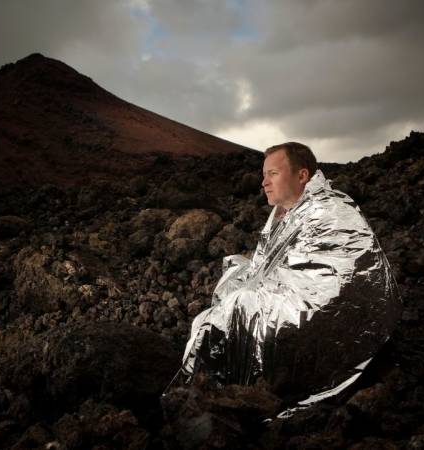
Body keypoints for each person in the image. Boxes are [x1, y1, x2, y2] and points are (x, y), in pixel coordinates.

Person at [172, 142, 401, 413]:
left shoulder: (328, 210)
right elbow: (269, 264)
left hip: (324, 311)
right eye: (264, 174)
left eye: (273, 174)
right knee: (231, 284)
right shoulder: (288, 212)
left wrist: (252, 296)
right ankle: (212, 394)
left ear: (302, 175)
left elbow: (329, 278)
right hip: (293, 294)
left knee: (238, 308)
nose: (263, 183)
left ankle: (234, 398)